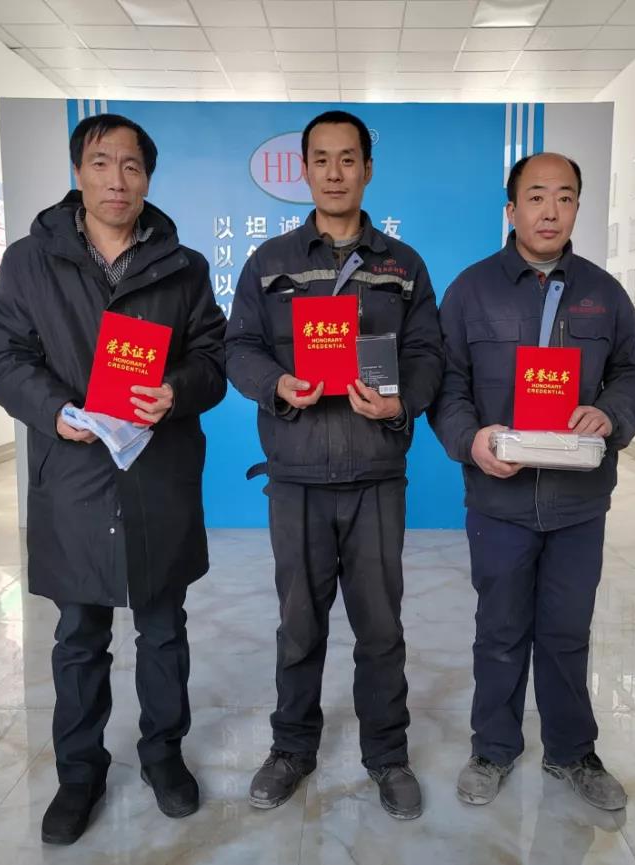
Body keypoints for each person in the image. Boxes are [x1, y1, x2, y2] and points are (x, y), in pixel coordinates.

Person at [0, 114, 226, 844]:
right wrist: (54, 411)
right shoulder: (31, 260)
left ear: (148, 178)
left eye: (132, 166)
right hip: (75, 472)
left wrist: (176, 390)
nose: (117, 180)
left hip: (157, 470)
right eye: (101, 163)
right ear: (78, 172)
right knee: (79, 635)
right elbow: (1, 356)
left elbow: (213, 358)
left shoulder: (184, 266)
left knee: (163, 629)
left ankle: (163, 756)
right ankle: (79, 772)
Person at [225, 110, 443, 820]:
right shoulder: (270, 262)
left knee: (381, 629)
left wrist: (403, 401)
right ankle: (291, 749)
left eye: (348, 159)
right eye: (321, 159)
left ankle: (388, 755)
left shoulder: (402, 266)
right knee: (298, 626)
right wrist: (276, 384)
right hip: (296, 478)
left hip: (376, 476)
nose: (335, 172)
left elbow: (428, 352)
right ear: (304, 170)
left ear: (367, 169)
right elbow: (239, 348)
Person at [429, 152, 635, 812]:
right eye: (535, 197)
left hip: (578, 502)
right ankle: (493, 747)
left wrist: (609, 414)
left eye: (564, 197)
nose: (550, 210)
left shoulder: (604, 293)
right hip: (498, 499)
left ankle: (572, 750)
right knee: (500, 630)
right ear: (512, 209)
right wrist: (470, 440)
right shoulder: (472, 290)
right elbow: (446, 383)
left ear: (578, 207)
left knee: (566, 631)